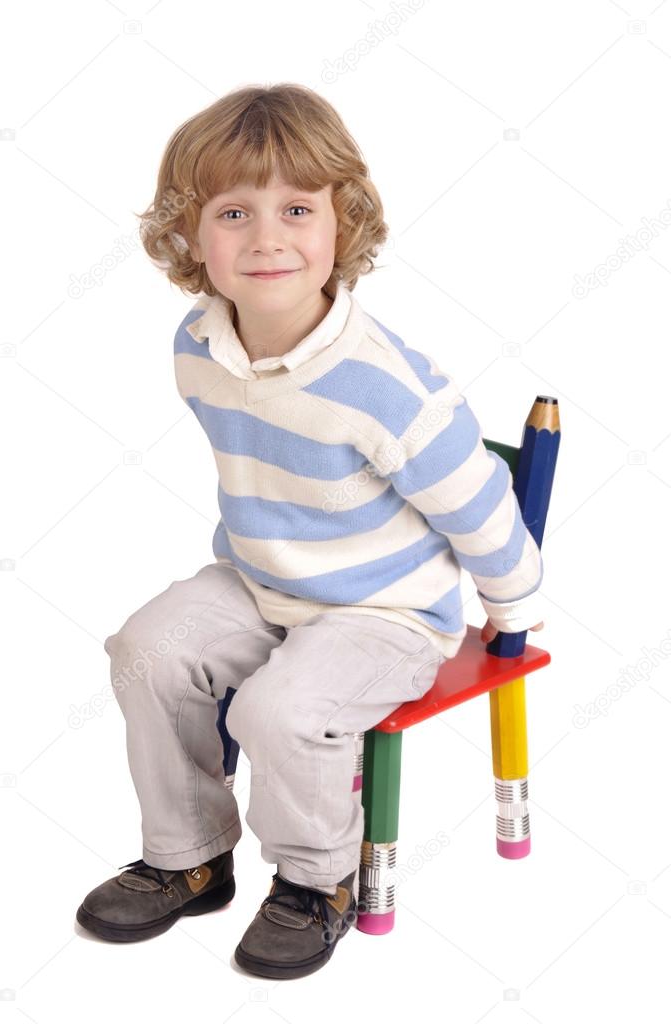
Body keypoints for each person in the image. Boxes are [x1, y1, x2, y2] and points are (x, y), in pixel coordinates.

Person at [75, 83, 545, 980]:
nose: (267, 238)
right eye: (233, 212)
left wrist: (512, 605)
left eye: (297, 208)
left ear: (344, 223)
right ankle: (191, 854)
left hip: (385, 613)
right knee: (145, 649)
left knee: (276, 709)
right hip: (263, 584)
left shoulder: (383, 384)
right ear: (189, 235)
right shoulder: (196, 345)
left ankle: (317, 880)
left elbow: (479, 499)